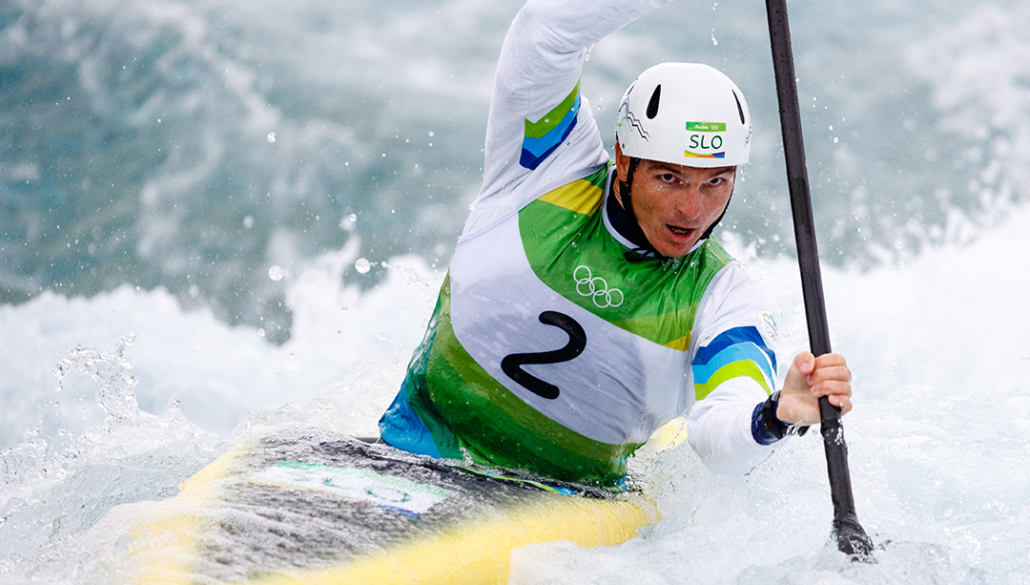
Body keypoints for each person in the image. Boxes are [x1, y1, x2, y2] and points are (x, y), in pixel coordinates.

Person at [378, 0, 853, 487]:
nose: (693, 210)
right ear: (624, 159)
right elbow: (543, 32)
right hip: (410, 450)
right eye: (669, 178)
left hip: (565, 501)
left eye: (716, 182)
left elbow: (720, 439)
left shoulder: (725, 294)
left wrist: (776, 414)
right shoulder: (542, 168)